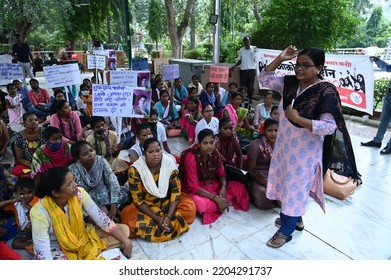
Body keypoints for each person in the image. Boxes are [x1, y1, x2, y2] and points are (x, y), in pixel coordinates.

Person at [259, 45, 360, 248]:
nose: (299, 69)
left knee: (294, 187)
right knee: (287, 185)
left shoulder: (326, 92)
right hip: (284, 148)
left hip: (305, 153)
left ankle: (286, 230)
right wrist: (281, 57)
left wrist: (298, 118)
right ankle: (295, 219)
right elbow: (264, 78)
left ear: (319, 68)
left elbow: (329, 127)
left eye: (306, 65)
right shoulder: (289, 84)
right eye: (297, 64)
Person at [30, 166, 132, 260]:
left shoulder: (79, 193)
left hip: (82, 235)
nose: (75, 185)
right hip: (59, 246)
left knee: (124, 231)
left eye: (74, 180)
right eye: (69, 184)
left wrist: (126, 242)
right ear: (56, 193)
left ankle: (88, 252)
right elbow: (43, 252)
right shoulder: (39, 213)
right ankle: (90, 253)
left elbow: (101, 219)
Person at [120, 138, 196, 242]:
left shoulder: (169, 164)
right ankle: (165, 223)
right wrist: (156, 218)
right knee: (129, 224)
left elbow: (175, 191)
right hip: (147, 205)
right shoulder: (135, 169)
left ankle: (163, 223)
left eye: (158, 150)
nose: (155, 154)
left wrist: (168, 216)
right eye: (150, 152)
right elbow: (138, 199)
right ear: (144, 153)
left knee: (190, 210)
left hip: (167, 201)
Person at [179, 129, 249, 224]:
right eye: (205, 143)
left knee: (240, 187)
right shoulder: (191, 157)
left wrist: (223, 188)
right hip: (196, 189)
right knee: (202, 205)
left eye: (212, 142)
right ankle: (222, 201)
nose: (209, 146)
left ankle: (221, 202)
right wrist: (215, 198)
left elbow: (222, 173)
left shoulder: (215, 153)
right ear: (199, 144)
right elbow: (193, 186)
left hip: (211, 183)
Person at [69, 141, 130, 221]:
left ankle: (108, 211)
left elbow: (113, 181)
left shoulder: (100, 160)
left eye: (91, 150)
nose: (91, 154)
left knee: (126, 193)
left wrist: (113, 204)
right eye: (85, 154)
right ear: (77, 159)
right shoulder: (73, 170)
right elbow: (76, 194)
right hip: (89, 200)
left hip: (106, 193)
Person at [360, 56, 391, 155]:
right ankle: (377, 141)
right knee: (383, 121)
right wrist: (377, 60)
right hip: (389, 95)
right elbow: (388, 67)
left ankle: (390, 146)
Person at [247, 118, 279, 209]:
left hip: (273, 175)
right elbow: (250, 171)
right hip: (258, 178)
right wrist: (263, 181)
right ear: (264, 131)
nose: (273, 134)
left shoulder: (278, 144)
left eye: (276, 131)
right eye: (270, 130)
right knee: (264, 193)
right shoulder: (256, 145)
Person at [86, 117, 128, 182]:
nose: (101, 128)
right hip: (98, 165)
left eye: (103, 125)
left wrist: (118, 149)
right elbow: (93, 158)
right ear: (93, 129)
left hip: (113, 163)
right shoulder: (90, 139)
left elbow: (114, 155)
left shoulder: (113, 135)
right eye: (97, 127)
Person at [1, 177, 38, 250]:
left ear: (34, 191)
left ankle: (38, 243)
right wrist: (11, 201)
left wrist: (26, 205)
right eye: (21, 194)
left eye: (29, 192)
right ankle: (33, 244)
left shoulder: (37, 200)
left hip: (37, 228)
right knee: (15, 244)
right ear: (16, 194)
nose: (26, 196)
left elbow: (38, 214)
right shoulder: (17, 203)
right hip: (24, 231)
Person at [9, 112, 45, 178]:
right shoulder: (18, 137)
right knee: (19, 171)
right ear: (24, 123)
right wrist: (33, 165)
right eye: (30, 120)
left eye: (36, 120)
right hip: (27, 163)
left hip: (45, 161)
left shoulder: (44, 132)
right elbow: (20, 158)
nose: (34, 122)